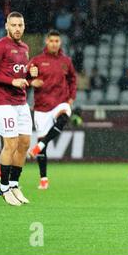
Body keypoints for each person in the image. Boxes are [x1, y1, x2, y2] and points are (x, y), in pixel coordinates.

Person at [0, 11, 39, 206]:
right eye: (13, 25)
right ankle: (3, 187)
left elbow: (21, 76)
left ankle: (14, 184)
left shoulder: (24, 47)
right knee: (11, 144)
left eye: (20, 25)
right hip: (3, 103)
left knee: (24, 143)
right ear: (7, 26)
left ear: (24, 26)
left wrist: (30, 74)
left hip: (20, 103)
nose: (17, 29)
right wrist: (11, 80)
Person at [27, 30, 77, 190]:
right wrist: (31, 81)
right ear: (46, 42)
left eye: (57, 41)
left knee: (65, 115)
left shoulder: (66, 61)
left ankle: (40, 146)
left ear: (60, 43)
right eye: (52, 41)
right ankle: (43, 179)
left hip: (60, 101)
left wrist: (71, 98)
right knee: (43, 145)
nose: (54, 43)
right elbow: (25, 76)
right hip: (42, 106)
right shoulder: (37, 61)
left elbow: (73, 79)